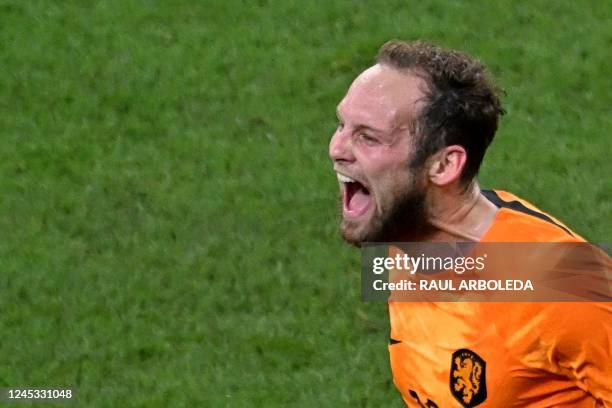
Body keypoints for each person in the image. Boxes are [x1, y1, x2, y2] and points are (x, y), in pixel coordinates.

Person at [329, 40, 611, 407]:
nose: (336, 148)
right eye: (341, 125)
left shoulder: (560, 282)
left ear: (444, 166)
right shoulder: (401, 242)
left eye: (368, 137)